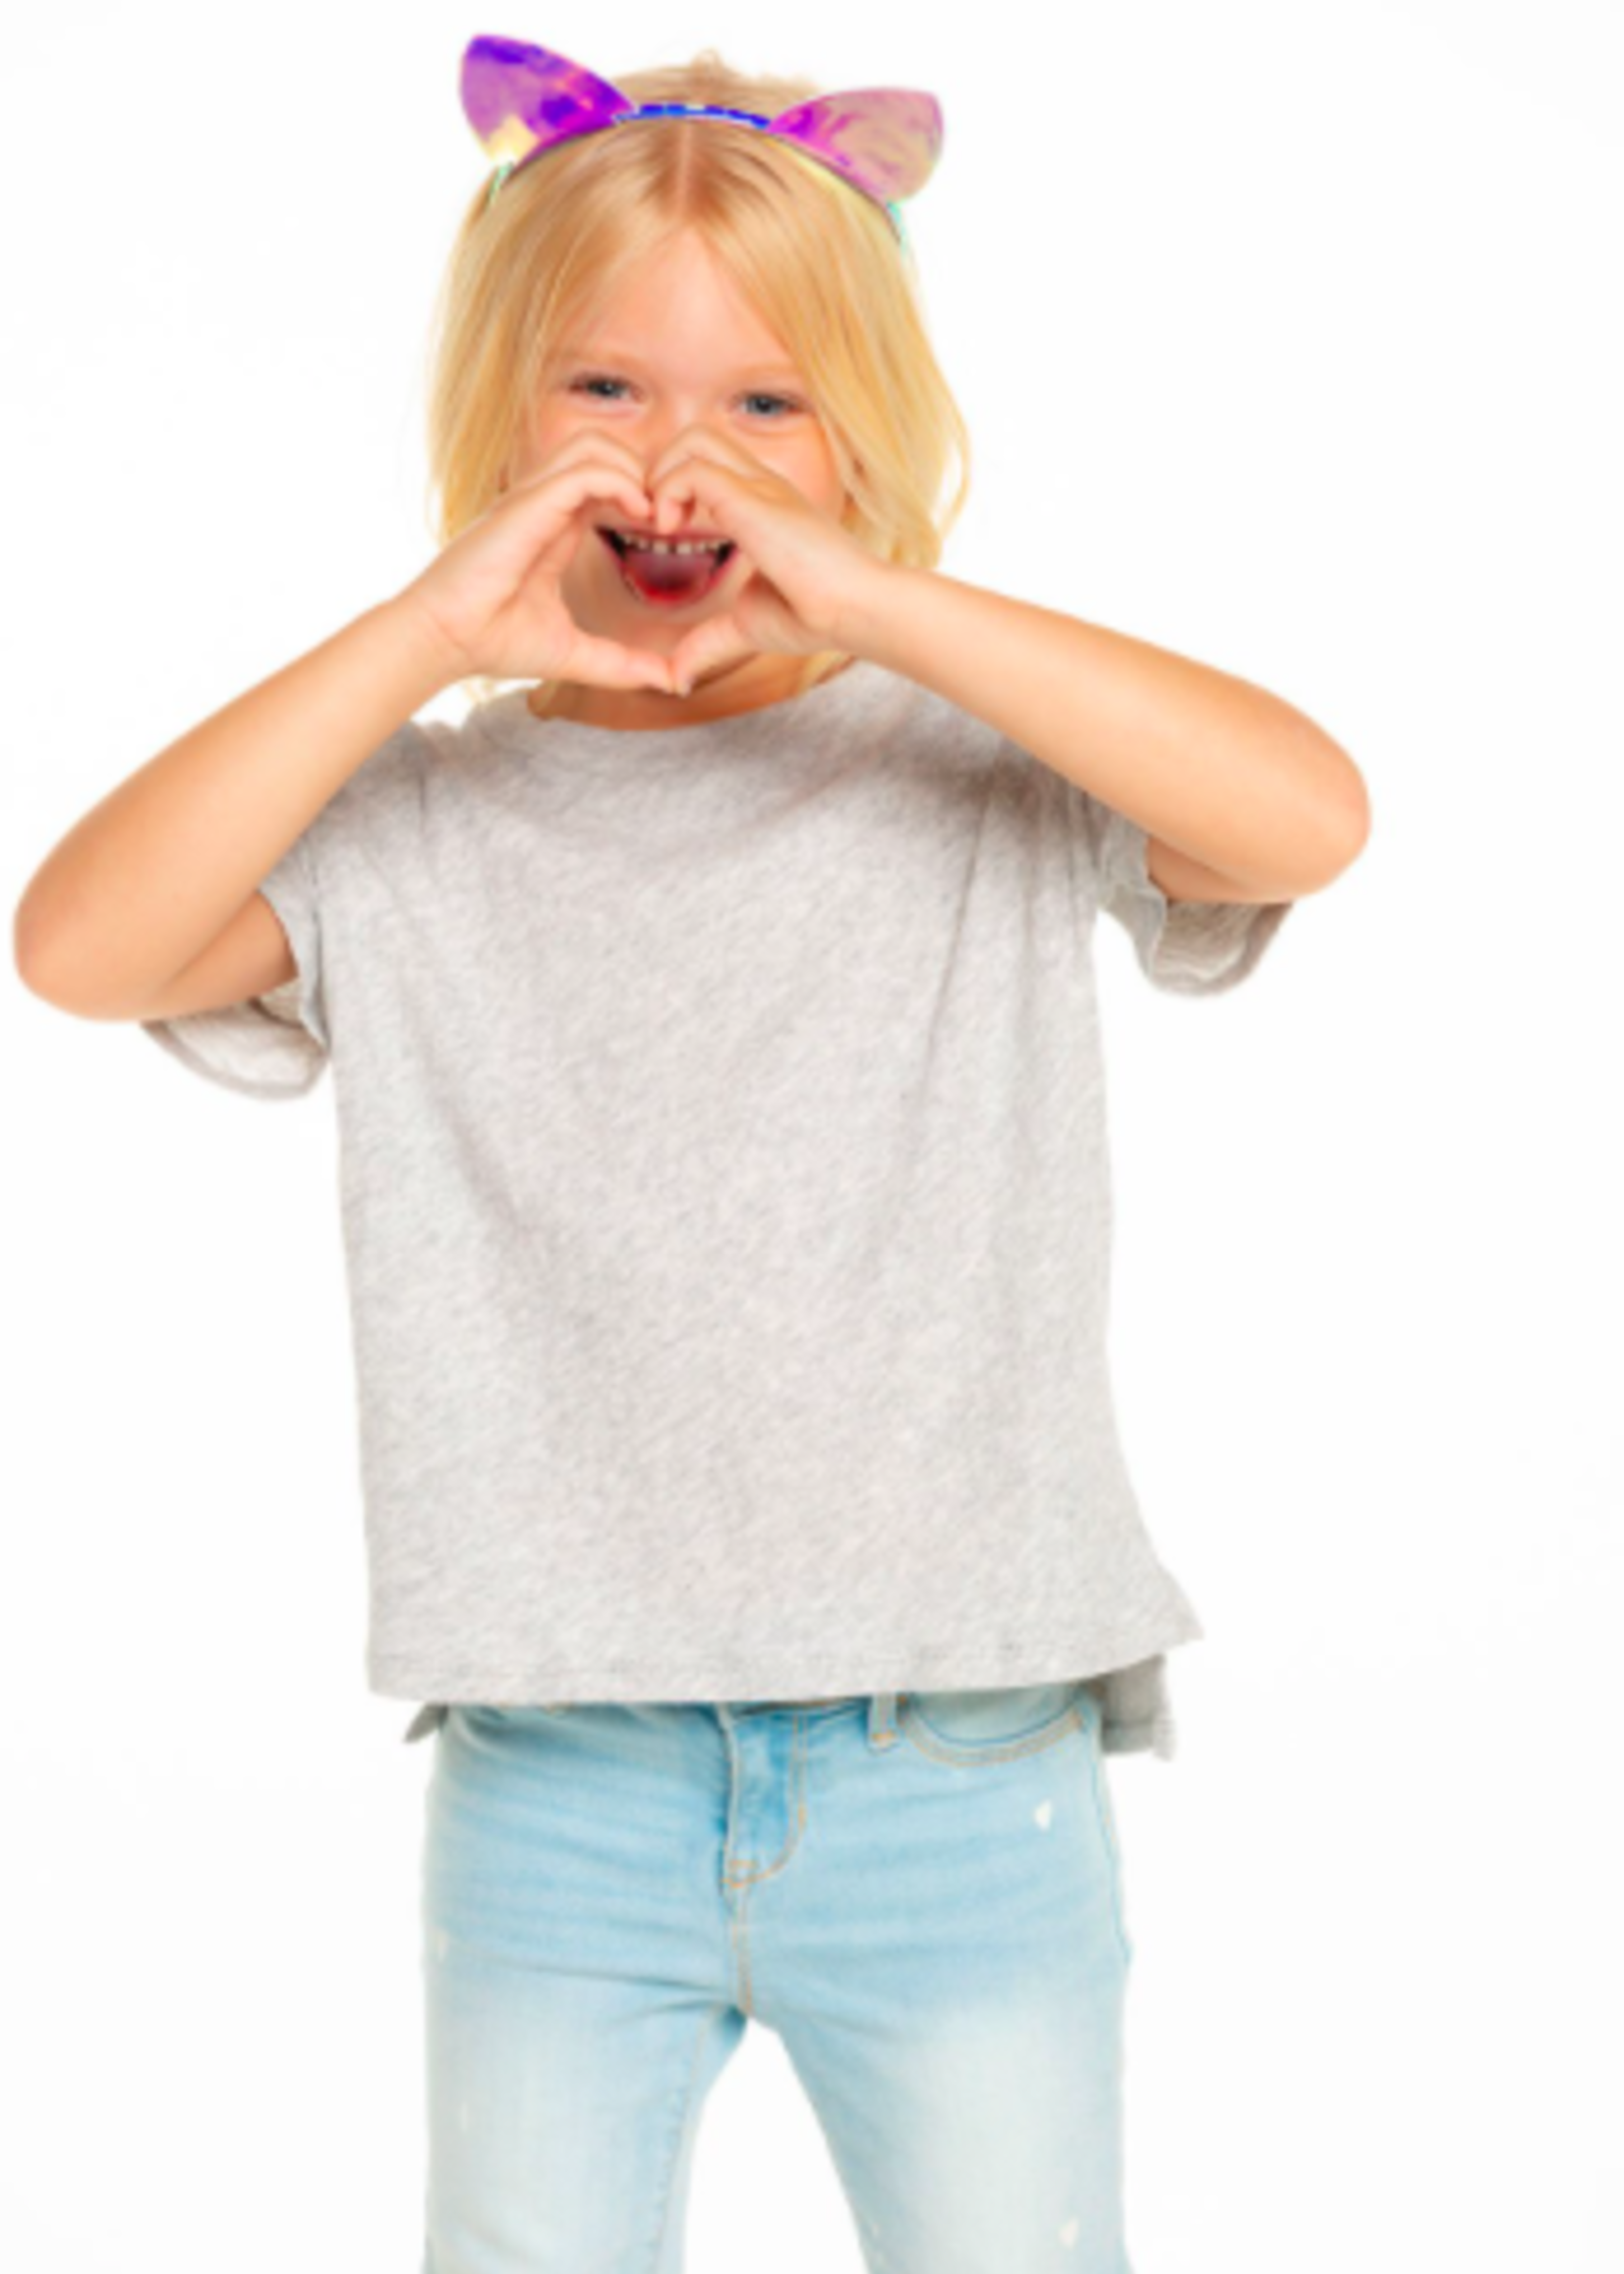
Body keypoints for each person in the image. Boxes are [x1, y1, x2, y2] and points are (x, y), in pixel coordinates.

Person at [13, 35, 1369, 2274]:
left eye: (766, 402)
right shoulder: (418, 826)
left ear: (867, 439)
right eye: (601, 388)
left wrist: (879, 600)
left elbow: (1305, 815)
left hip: (959, 1770)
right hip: (560, 1784)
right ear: (499, 414)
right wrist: (427, 633)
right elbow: (81, 946)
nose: (677, 458)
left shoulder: (975, 768)